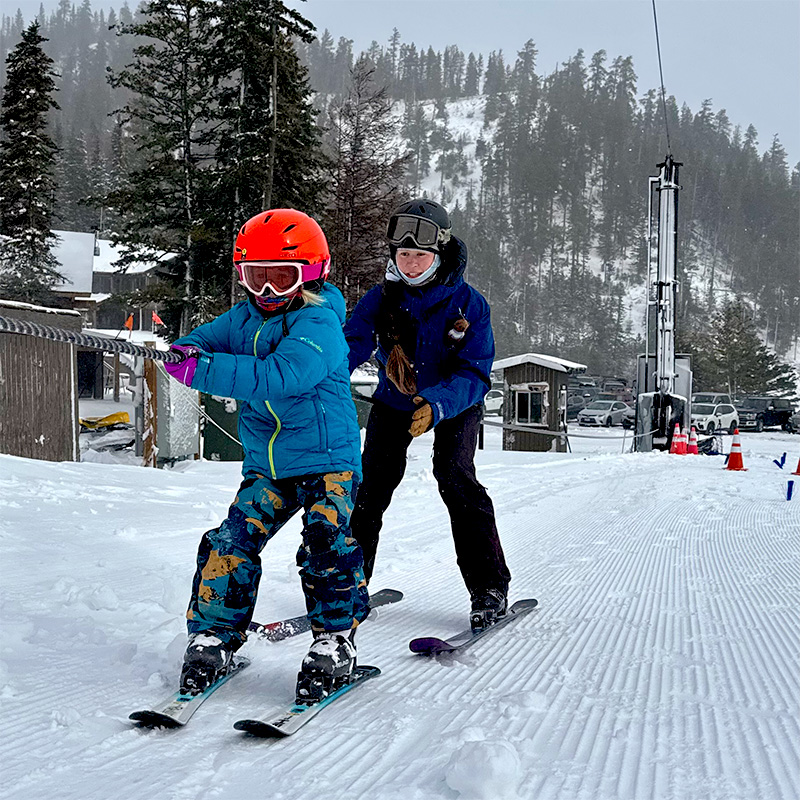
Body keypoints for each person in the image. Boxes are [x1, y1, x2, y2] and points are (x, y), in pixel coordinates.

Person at [164, 209, 369, 704]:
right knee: (229, 541)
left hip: (329, 463)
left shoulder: (319, 321)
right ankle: (214, 636)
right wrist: (181, 353)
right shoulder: (242, 319)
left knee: (324, 538)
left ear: (312, 274)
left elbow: (280, 375)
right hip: (270, 469)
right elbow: (202, 341)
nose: (268, 291)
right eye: (257, 276)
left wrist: (201, 371)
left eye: (283, 277)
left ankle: (335, 641)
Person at [343, 198, 511, 632]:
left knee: (456, 477)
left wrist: (437, 404)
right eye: (403, 255)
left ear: (439, 253)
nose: (411, 262)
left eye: (420, 254)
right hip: (395, 401)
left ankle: (489, 588)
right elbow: (350, 345)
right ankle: (349, 584)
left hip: (454, 403)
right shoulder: (380, 299)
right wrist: (318, 378)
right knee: (370, 487)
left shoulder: (469, 305)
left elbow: (475, 371)